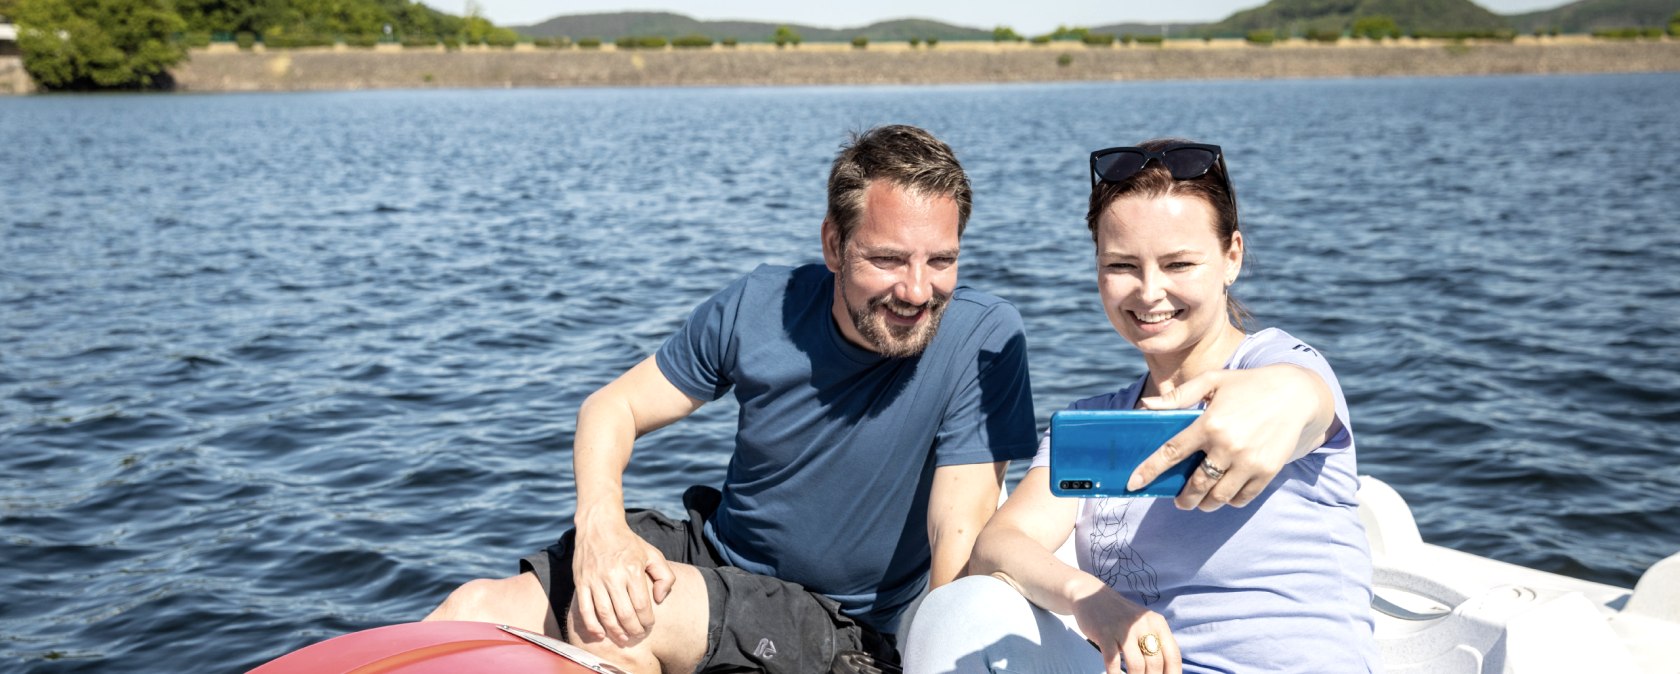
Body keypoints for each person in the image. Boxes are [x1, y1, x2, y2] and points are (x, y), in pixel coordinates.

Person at [424, 124, 1042, 673]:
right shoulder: (757, 305)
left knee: (619, 629)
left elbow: (956, 531)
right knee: (470, 612)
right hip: (715, 555)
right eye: (887, 259)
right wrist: (601, 531)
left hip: (839, 625)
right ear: (833, 246)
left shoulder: (983, 338)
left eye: (941, 261)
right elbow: (611, 409)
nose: (916, 289)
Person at [901, 139, 1379, 674]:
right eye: (1123, 265)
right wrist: (1091, 600)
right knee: (960, 608)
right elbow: (1000, 543)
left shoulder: (1277, 364)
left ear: (1232, 257)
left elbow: (1299, 398)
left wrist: (1286, 396)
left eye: (1179, 263)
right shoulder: (1096, 424)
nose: (1150, 292)